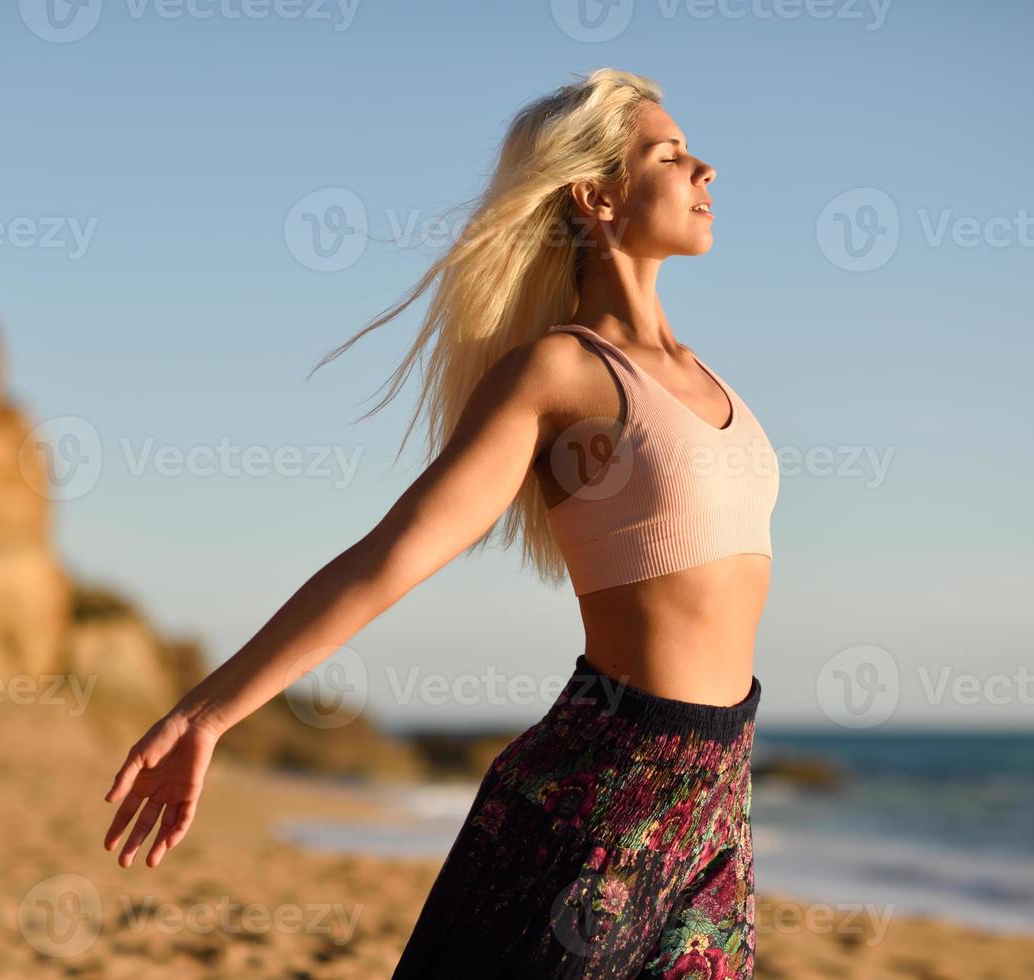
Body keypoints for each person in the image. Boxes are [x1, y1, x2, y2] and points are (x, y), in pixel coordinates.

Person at [102, 67, 779, 978]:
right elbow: (392, 554)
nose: (705, 170)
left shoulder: (709, 378)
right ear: (595, 195)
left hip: (718, 802)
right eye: (671, 155)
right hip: (601, 788)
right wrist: (208, 714)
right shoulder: (558, 375)